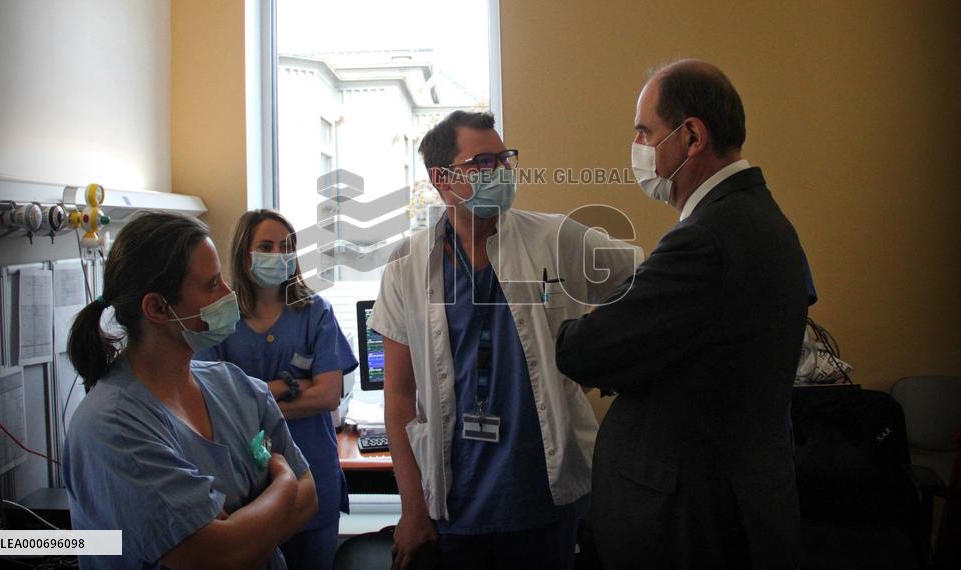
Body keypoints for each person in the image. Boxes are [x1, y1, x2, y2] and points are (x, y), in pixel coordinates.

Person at [556, 60, 808, 568]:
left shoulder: (704, 240)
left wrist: (603, 302)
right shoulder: (763, 219)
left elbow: (583, 348)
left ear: (691, 136)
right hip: (738, 503)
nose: (638, 147)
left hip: (692, 522)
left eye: (645, 132)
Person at [367, 110, 640, 570]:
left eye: (504, 158)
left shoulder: (555, 238)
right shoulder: (406, 265)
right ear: (441, 179)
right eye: (483, 162)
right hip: (455, 503)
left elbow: (641, 277)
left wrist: (605, 357)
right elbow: (397, 398)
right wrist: (412, 508)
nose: (501, 171)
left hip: (542, 498)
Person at [64, 211, 318, 570]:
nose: (229, 294)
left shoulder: (236, 387)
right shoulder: (113, 427)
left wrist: (247, 530)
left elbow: (311, 499)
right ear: (157, 308)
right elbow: (219, 555)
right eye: (213, 284)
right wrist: (284, 485)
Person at [196, 209, 358, 570]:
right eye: (266, 246)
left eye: (286, 246)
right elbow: (210, 403)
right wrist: (287, 387)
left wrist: (247, 397)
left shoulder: (315, 312)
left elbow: (328, 396)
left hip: (312, 474)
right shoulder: (219, 318)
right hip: (244, 484)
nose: (279, 254)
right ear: (244, 252)